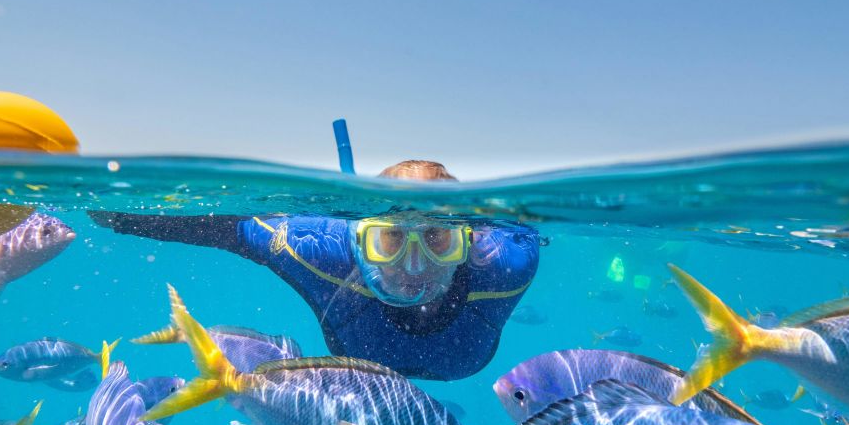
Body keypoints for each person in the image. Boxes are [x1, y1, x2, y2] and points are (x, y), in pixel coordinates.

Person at [89, 160, 540, 380]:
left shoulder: (507, 263)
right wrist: (121, 217)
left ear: (469, 241)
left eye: (438, 238)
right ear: (360, 241)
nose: (414, 266)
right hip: (434, 359)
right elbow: (225, 226)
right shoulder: (317, 253)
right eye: (393, 239)